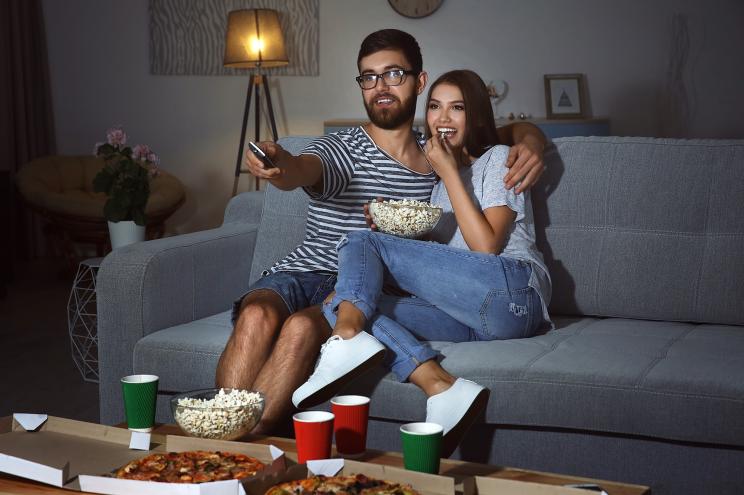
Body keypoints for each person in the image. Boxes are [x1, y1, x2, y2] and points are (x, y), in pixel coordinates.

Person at [215, 29, 548, 435]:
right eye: (368, 77)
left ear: (418, 82)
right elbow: (302, 167)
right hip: (311, 272)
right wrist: (280, 164)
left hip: (358, 285)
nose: (380, 87)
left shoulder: (437, 158)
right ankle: (226, 444)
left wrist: (531, 138)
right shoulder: (342, 147)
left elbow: (487, 138)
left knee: (309, 322)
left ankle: (245, 446)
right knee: (256, 314)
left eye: (393, 74)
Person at [292, 69, 552, 456]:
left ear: (477, 117)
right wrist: (391, 228)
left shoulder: (496, 160)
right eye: (434, 107)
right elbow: (444, 266)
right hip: (474, 318)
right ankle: (442, 386)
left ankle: (343, 341)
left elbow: (485, 248)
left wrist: (448, 173)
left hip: (515, 294)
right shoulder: (434, 186)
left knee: (361, 242)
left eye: (457, 108)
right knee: (337, 302)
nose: (443, 118)